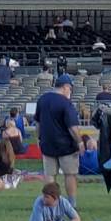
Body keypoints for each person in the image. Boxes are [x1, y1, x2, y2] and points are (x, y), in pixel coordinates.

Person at [35, 73, 81, 203]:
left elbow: (37, 123)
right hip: (66, 146)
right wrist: (80, 142)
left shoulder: (42, 99)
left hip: (47, 143)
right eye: (70, 89)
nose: (70, 91)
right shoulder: (66, 103)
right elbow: (72, 127)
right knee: (70, 174)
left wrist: (38, 138)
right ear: (65, 87)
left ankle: (50, 201)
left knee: (50, 175)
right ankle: (72, 203)